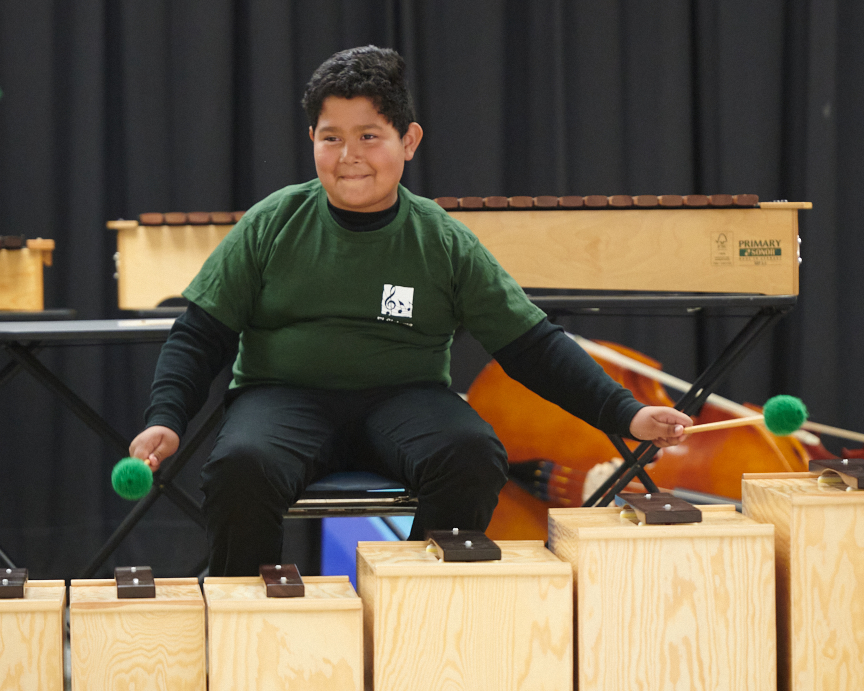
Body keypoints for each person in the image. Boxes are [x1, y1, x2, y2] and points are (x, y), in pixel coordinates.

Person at [129, 45, 692, 576]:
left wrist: (626, 414)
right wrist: (165, 417)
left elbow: (532, 346)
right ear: (312, 140)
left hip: (405, 399)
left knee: (471, 454)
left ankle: (420, 609)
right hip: (281, 398)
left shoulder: (443, 241)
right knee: (240, 466)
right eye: (331, 138)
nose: (349, 157)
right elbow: (200, 335)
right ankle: (246, 620)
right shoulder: (273, 222)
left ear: (409, 140)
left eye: (369, 136)